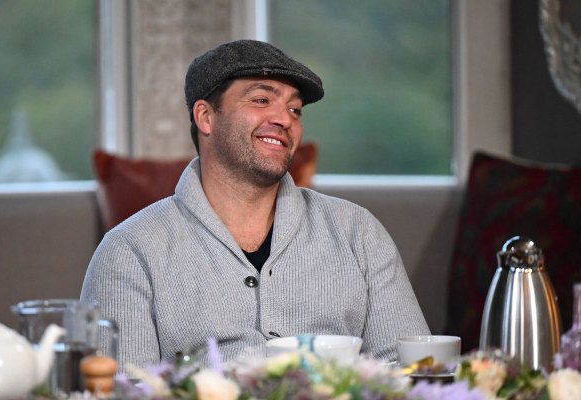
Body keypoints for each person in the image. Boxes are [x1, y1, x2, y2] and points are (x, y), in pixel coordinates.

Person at [80, 39, 429, 370]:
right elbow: (124, 388)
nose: (285, 119)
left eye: (294, 108)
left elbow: (412, 373)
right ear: (205, 117)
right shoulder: (128, 251)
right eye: (262, 100)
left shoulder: (358, 232)